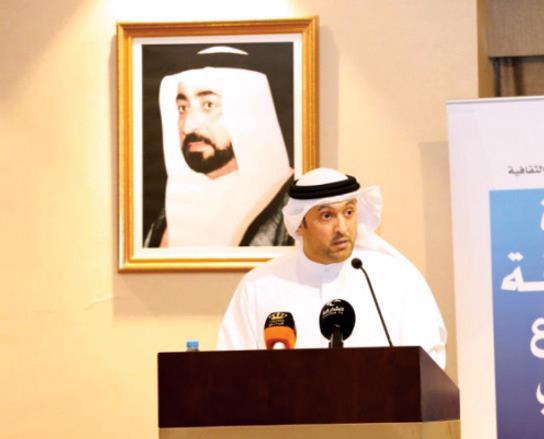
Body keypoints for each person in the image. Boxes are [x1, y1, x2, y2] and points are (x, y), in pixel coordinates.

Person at [217, 168, 448, 368]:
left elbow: (429, 362)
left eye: (348, 212)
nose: (342, 228)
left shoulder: (397, 279)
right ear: (300, 225)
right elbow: (232, 368)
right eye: (327, 216)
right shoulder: (259, 286)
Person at [145, 62, 294, 247]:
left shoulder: (291, 206)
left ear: (247, 112)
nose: (188, 126)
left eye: (209, 105)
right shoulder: (173, 206)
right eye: (182, 108)